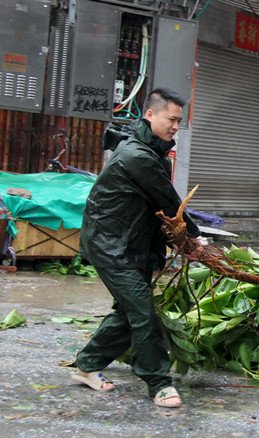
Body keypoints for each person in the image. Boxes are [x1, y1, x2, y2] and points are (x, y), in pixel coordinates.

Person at [72, 88, 200, 408]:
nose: (175, 127)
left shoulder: (152, 150)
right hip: (111, 245)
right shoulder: (137, 156)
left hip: (131, 243)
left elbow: (157, 206)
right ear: (150, 115)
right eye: (171, 119)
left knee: (128, 312)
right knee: (142, 311)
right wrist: (193, 238)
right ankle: (158, 382)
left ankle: (87, 364)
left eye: (179, 122)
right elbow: (169, 201)